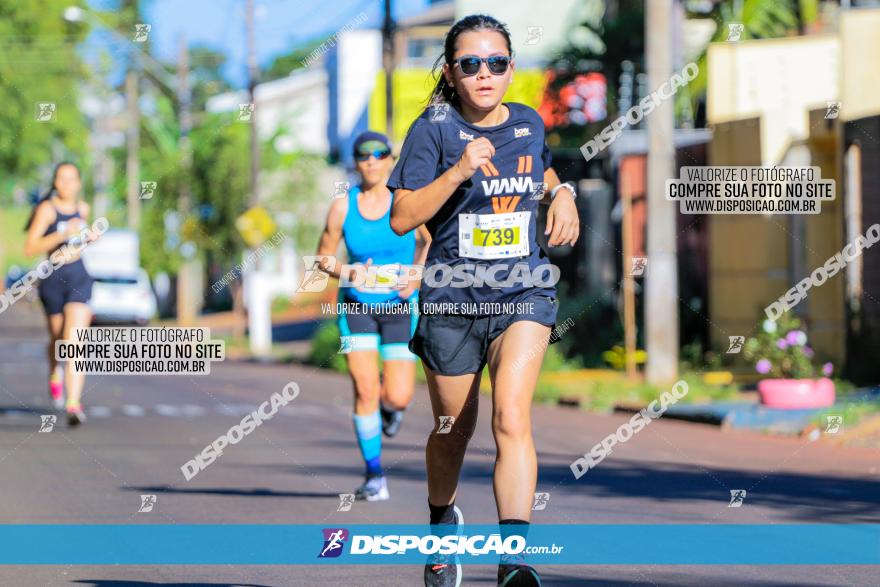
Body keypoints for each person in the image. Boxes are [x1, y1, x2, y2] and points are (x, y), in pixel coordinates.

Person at [387, 14, 580, 587]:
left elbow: (537, 168)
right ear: (452, 71)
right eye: (470, 64)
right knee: (452, 429)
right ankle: (442, 527)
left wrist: (562, 191)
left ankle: (513, 559)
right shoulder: (433, 129)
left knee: (511, 418)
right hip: (451, 299)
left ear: (510, 68)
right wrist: (457, 172)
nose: (484, 74)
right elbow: (402, 217)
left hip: (523, 289)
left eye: (495, 62)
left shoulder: (526, 122)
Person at [314, 131, 431, 501]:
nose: (371, 161)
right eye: (363, 156)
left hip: (399, 307)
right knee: (364, 387)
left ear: (389, 159)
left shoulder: (406, 200)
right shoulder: (342, 206)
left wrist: (414, 275)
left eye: (379, 154)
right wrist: (348, 273)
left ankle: (389, 412)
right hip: (357, 306)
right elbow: (323, 258)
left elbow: (428, 241)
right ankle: (374, 474)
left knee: (397, 395)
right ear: (356, 162)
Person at [24, 162, 100, 426]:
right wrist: (61, 233)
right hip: (52, 278)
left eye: (71, 179)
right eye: (61, 179)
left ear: (79, 183)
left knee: (75, 341)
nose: (66, 184)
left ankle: (73, 403)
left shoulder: (84, 208)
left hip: (79, 276)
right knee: (58, 339)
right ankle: (55, 370)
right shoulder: (46, 209)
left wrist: (89, 237)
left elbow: (82, 242)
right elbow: (30, 247)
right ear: (55, 182)